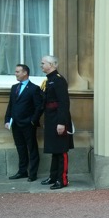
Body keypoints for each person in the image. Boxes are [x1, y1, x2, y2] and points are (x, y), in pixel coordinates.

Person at [39, 55, 74, 190]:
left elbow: (64, 103)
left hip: (59, 120)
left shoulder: (59, 81)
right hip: (52, 119)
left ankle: (62, 179)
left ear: (52, 64)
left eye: (43, 63)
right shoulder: (49, 80)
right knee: (55, 150)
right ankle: (53, 176)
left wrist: (61, 122)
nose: (41, 65)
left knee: (61, 150)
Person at [4, 64, 44, 182]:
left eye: (17, 72)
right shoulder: (14, 87)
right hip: (15, 124)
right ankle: (22, 171)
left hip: (28, 124)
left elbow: (39, 107)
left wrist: (32, 121)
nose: (15, 74)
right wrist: (7, 119)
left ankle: (32, 173)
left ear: (25, 73)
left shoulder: (34, 88)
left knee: (32, 149)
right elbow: (11, 105)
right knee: (20, 148)